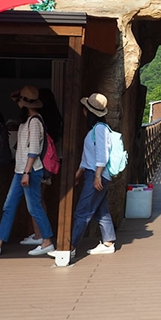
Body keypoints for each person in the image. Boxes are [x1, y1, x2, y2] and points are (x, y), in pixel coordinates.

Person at [49, 92, 117, 263]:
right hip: (94, 173)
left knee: (82, 211)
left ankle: (69, 247)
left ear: (88, 112)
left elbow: (103, 154)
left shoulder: (100, 129)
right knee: (101, 211)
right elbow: (89, 157)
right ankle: (108, 242)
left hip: (97, 174)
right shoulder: (97, 129)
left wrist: (97, 176)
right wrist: (80, 173)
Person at [0, 86, 54, 258]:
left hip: (30, 171)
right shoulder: (27, 120)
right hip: (20, 170)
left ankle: (47, 241)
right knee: (9, 206)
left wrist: (27, 172)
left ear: (23, 104)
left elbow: (34, 149)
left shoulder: (34, 121)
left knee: (34, 207)